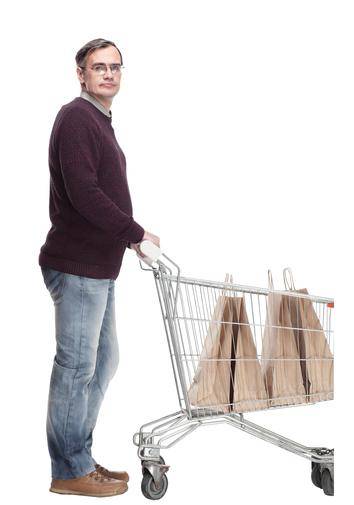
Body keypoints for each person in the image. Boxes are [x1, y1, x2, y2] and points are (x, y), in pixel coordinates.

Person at [41, 38, 156, 498]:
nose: (108, 74)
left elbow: (98, 191)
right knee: (76, 366)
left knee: (103, 360)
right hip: (78, 265)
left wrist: (126, 238)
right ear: (81, 74)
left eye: (115, 67)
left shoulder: (99, 120)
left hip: (98, 267)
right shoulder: (76, 118)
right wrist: (134, 231)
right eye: (98, 67)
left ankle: (80, 458)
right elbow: (84, 193)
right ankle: (68, 468)